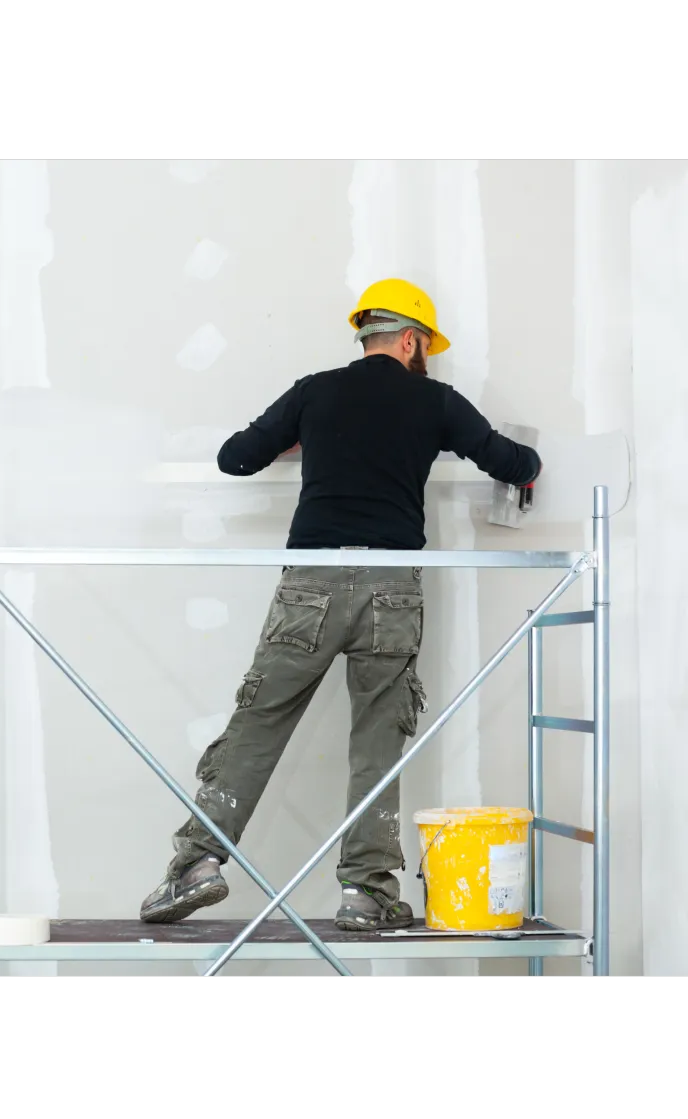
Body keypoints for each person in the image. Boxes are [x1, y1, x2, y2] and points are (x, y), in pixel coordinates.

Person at [139, 278, 542, 930]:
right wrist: (512, 460)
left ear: (367, 335)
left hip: (312, 586)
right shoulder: (435, 401)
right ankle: (368, 894)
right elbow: (514, 462)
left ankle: (195, 866)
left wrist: (299, 440)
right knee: (378, 740)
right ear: (411, 340)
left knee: (258, 726)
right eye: (425, 347)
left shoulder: (315, 391)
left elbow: (234, 459)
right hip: (392, 590)